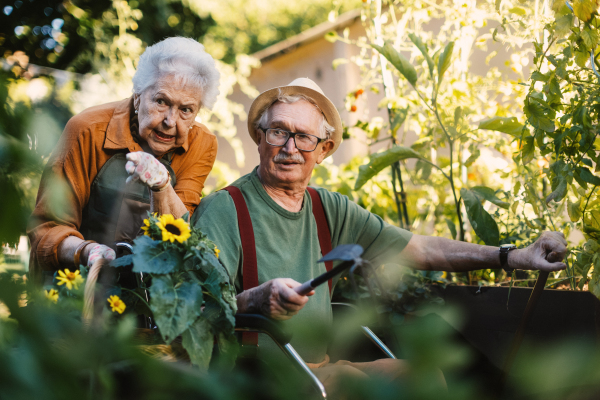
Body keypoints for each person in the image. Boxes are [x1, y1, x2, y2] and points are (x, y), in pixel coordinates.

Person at [192, 78, 567, 396]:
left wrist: (514, 256)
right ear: (260, 137)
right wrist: (257, 298)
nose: (290, 148)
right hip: (253, 378)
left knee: (424, 376)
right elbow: (199, 311)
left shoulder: (329, 208)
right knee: (355, 384)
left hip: (316, 369)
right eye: (278, 132)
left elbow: (421, 248)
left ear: (323, 151)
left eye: (303, 137)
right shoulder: (225, 209)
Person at [28, 37, 220, 283]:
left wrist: (162, 186)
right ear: (138, 96)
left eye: (186, 110)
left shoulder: (202, 143)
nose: (170, 121)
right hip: (74, 287)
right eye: (161, 101)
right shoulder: (87, 130)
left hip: (144, 293)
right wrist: (89, 252)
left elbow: (181, 233)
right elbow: (48, 229)